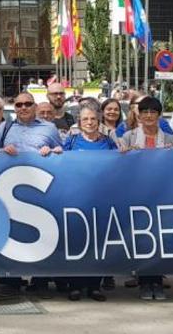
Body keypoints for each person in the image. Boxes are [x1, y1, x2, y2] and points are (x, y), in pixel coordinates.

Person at [0, 92, 61, 298]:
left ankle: (41, 282)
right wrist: (2, 151)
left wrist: (53, 151)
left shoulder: (49, 128)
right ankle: (10, 281)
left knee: (43, 234)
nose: (23, 107)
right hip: (10, 190)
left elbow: (62, 152)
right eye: (18, 104)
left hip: (41, 189)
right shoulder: (5, 127)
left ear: (35, 106)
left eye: (27, 104)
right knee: (12, 234)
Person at [116, 97, 173, 300]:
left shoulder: (168, 139)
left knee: (159, 238)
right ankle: (144, 282)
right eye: (145, 112)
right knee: (141, 238)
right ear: (139, 115)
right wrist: (123, 153)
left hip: (160, 194)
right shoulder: (129, 137)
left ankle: (157, 282)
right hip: (136, 194)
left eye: (153, 112)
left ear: (159, 115)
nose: (149, 115)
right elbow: (118, 163)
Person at [62, 106, 117, 301]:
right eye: (85, 119)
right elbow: (59, 162)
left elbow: (119, 165)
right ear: (79, 121)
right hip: (76, 199)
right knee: (77, 243)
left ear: (99, 120)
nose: (90, 122)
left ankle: (94, 286)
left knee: (98, 244)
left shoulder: (108, 142)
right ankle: (75, 286)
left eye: (93, 118)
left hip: (101, 199)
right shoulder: (72, 141)